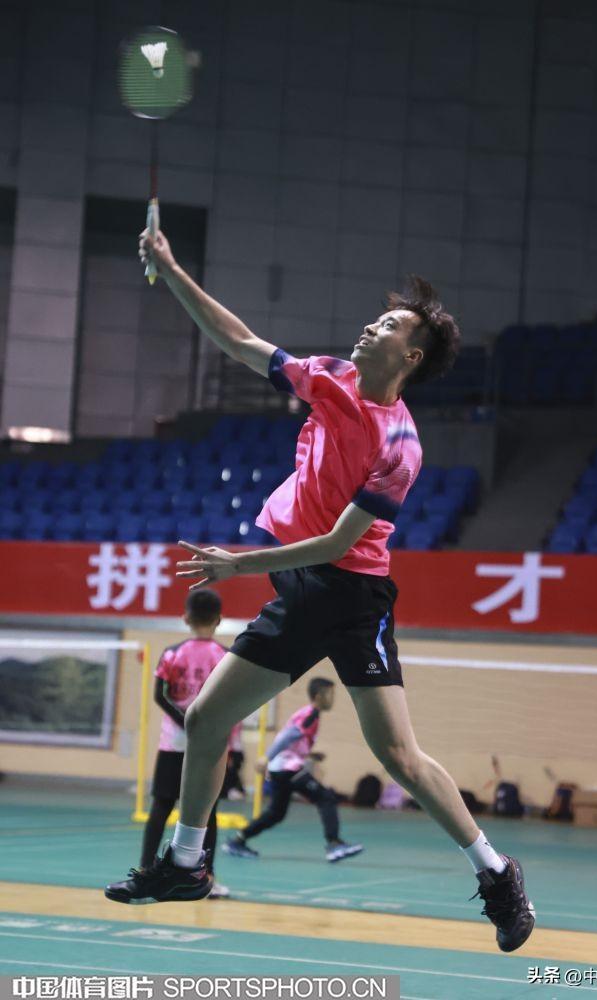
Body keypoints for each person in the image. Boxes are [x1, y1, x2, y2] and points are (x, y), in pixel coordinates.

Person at [105, 230, 535, 954]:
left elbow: (340, 545)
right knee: (208, 720)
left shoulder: (399, 447)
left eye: (389, 325)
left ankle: (497, 874)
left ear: (411, 357)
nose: (371, 325)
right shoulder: (329, 376)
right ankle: (187, 864)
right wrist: (172, 270)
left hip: (349, 594)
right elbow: (238, 340)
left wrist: (239, 566)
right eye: (378, 317)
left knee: (397, 756)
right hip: (304, 588)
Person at [108, 588, 229, 901]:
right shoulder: (226, 658)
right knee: (208, 811)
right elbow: (229, 701)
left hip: (172, 743)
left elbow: (160, 695)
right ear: (218, 619)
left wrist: (183, 720)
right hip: (208, 746)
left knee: (161, 807)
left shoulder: (172, 654)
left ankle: (145, 870)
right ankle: (207, 878)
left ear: (186, 617)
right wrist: (201, 726)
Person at [224, 677, 362, 862]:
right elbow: (288, 736)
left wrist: (311, 755)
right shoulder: (310, 714)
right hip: (287, 769)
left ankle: (238, 841)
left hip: (281, 768)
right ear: (319, 696)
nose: (333, 699)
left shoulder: (312, 714)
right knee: (325, 798)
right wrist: (266, 757)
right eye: (330, 694)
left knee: (276, 813)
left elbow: (295, 741)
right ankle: (334, 844)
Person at [220, 721, 245, 800]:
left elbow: (228, 738)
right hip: (234, 751)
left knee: (231, 772)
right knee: (230, 772)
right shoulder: (235, 721)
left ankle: (232, 790)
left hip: (234, 751)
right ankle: (231, 790)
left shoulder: (233, 721)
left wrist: (228, 756)